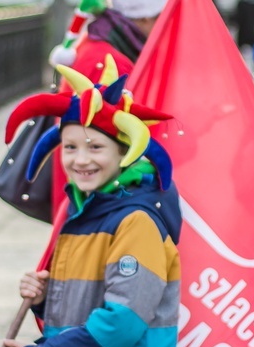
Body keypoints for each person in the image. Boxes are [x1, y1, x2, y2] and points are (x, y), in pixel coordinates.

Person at [0, 56, 181, 347]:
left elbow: (121, 323)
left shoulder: (135, 220)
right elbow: (86, 300)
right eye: (70, 147)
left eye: (96, 147)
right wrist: (45, 299)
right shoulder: (86, 212)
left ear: (125, 152)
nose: (81, 160)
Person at [48, 0, 167, 219]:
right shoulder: (111, 61)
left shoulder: (101, 41)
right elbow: (96, 141)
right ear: (145, 17)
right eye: (162, 18)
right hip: (99, 207)